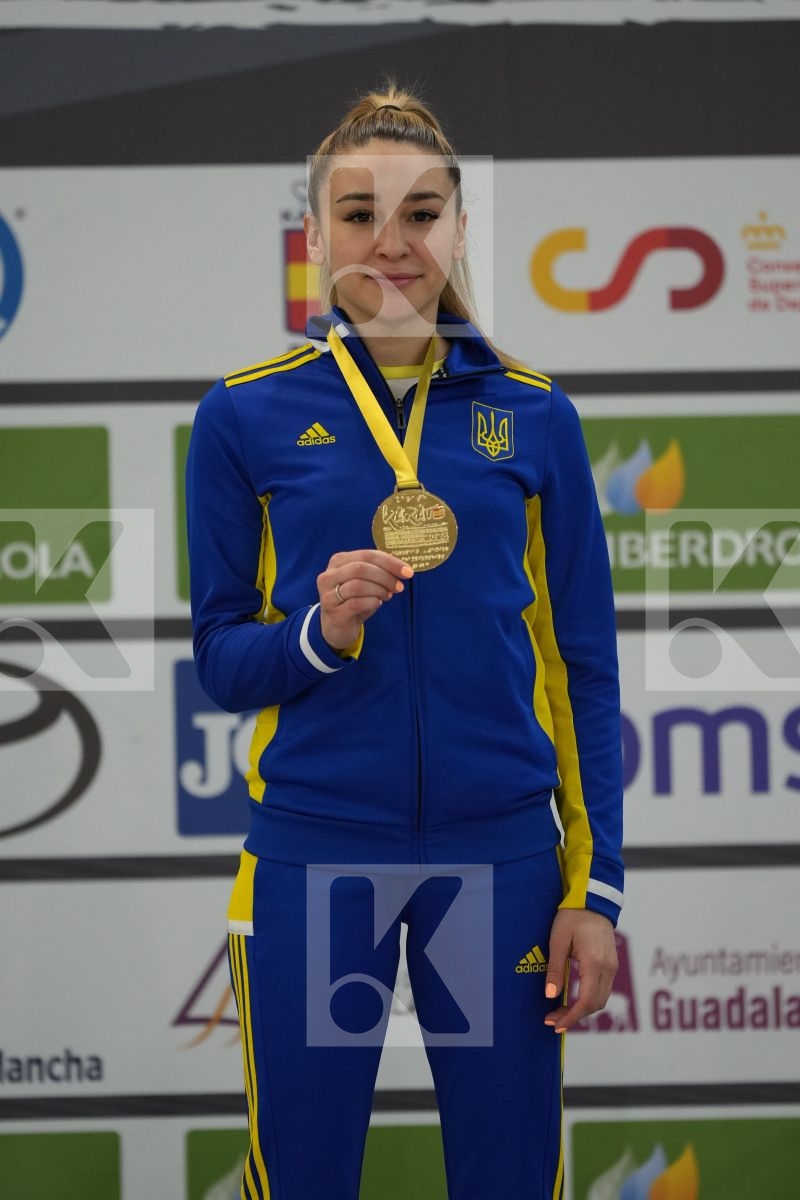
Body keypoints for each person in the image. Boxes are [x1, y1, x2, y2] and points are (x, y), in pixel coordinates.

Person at [185, 82, 623, 1200]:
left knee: (506, 1180)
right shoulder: (244, 415)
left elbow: (581, 668)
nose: (390, 243)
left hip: (502, 866)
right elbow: (226, 658)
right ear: (314, 233)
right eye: (359, 214)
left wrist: (597, 890)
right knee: (309, 1180)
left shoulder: (534, 418)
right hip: (319, 859)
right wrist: (320, 638)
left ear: (459, 231)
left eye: (421, 214)